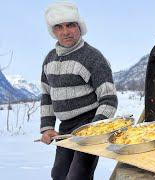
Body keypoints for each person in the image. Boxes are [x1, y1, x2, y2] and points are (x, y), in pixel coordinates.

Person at [40, 2, 118, 180]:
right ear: (53, 31)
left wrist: (94, 128)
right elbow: (46, 95)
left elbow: (109, 99)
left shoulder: (93, 57)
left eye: (70, 25)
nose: (65, 31)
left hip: (89, 124)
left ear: (79, 27)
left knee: (77, 176)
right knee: (58, 175)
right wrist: (47, 128)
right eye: (59, 27)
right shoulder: (49, 60)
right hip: (65, 128)